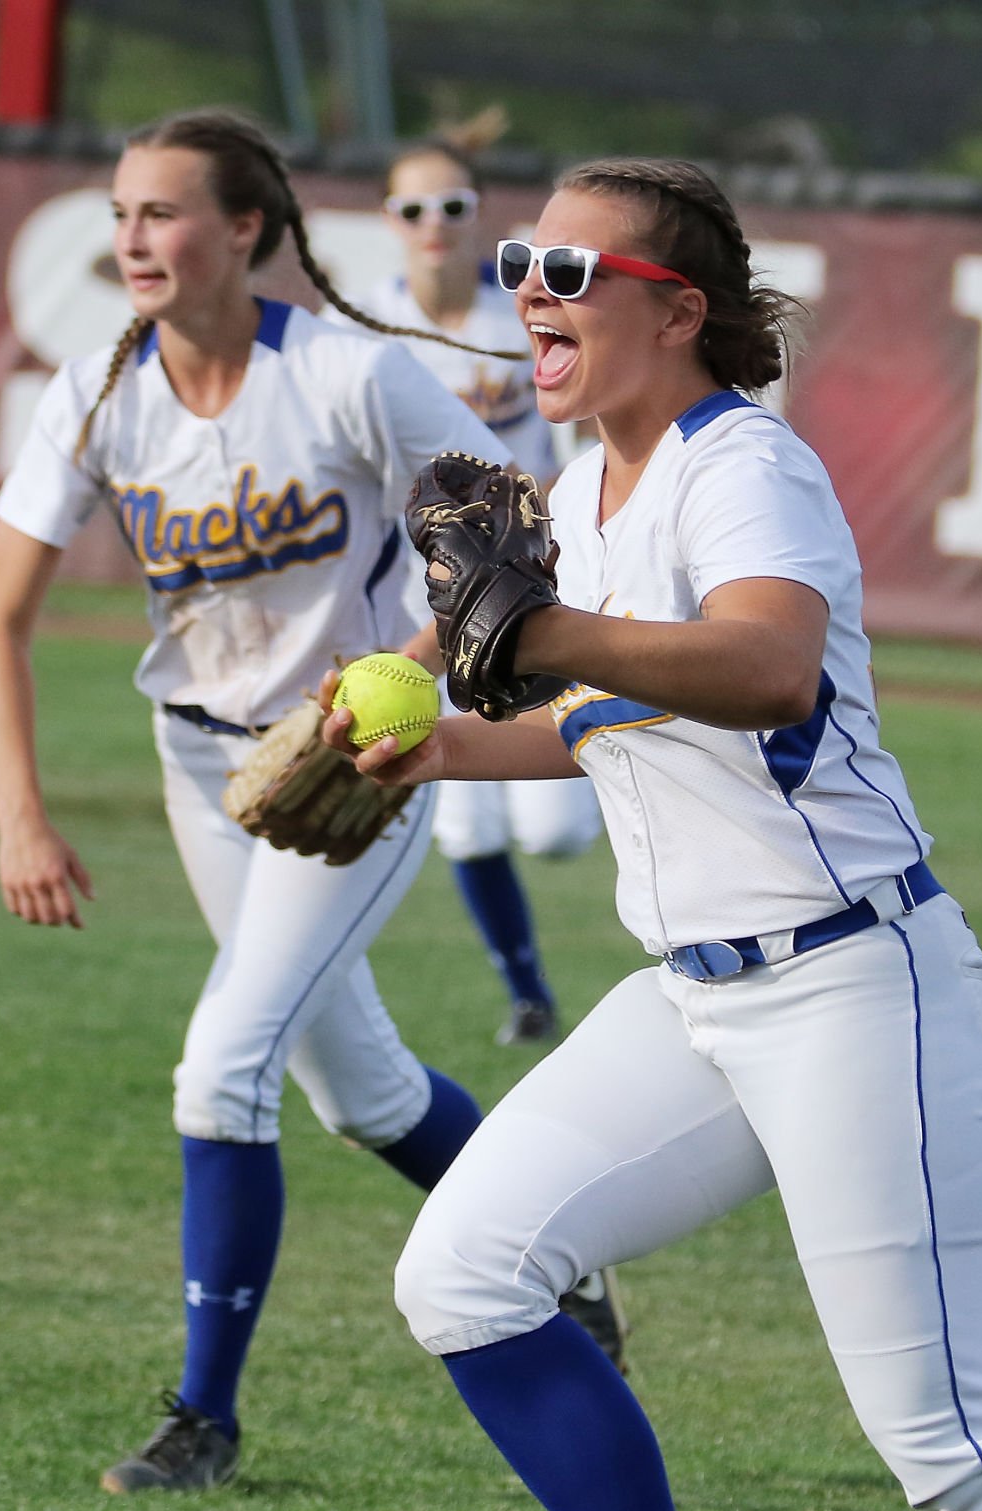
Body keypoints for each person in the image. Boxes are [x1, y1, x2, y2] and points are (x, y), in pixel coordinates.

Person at [325, 156, 982, 1511]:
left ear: (674, 311)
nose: (530, 292)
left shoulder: (738, 462)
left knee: (954, 1451)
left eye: (570, 272)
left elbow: (764, 672)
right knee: (464, 1272)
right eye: (523, 264)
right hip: (692, 1002)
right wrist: (443, 744)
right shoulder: (588, 498)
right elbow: (611, 714)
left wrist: (536, 632)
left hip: (850, 982)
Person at [0, 107, 626, 1499]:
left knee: (224, 1063)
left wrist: (409, 666)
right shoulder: (95, 388)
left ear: (246, 230)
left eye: (164, 212)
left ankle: (202, 1416)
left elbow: (502, 521)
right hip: (202, 764)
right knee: (360, 1086)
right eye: (121, 215)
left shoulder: (342, 372)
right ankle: (566, 1264)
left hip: (359, 752)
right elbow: (0, 617)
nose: (135, 238)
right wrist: (20, 814)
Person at [349, 120, 603, 1049]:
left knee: (558, 833)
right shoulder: (362, 327)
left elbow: (578, 452)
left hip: (529, 594)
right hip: (422, 604)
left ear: (478, 215)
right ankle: (529, 995)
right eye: (412, 206)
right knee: (467, 827)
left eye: (452, 205)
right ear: (388, 217)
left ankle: (640, 768)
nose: (433, 223)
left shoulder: (522, 319)